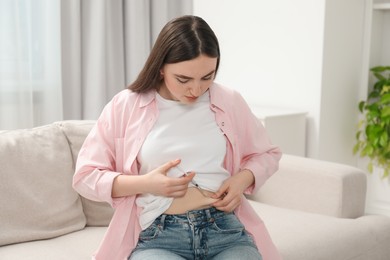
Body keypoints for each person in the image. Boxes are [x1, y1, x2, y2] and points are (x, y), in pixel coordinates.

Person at [73, 15, 282, 260]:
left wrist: (241, 180)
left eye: (207, 77)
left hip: (224, 230)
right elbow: (86, 176)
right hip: (160, 236)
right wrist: (147, 183)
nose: (196, 90)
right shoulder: (126, 105)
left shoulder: (228, 101)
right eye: (183, 79)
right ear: (161, 67)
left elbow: (267, 154)